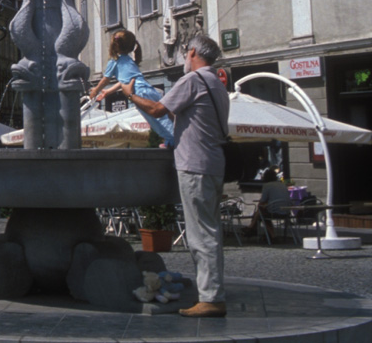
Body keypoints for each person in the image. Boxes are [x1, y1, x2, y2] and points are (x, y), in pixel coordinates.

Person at [121, 33, 230, 318]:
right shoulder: (216, 84)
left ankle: (211, 298)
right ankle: (213, 293)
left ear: (192, 52)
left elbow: (158, 110)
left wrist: (130, 95)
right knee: (211, 231)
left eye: (185, 52)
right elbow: (181, 116)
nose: (184, 57)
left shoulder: (193, 80)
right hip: (213, 164)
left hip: (195, 165)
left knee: (200, 234)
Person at [89, 29, 175, 147]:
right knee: (163, 117)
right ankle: (172, 139)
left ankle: (172, 140)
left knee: (156, 121)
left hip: (139, 93)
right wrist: (108, 91)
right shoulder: (129, 61)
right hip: (148, 90)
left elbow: (105, 80)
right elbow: (123, 82)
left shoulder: (114, 61)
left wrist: (95, 90)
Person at [247, 168, 291, 242]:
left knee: (261, 213)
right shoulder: (282, 185)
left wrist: (262, 205)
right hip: (286, 211)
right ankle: (254, 229)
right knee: (261, 212)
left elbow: (262, 201)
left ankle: (253, 228)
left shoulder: (267, 186)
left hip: (274, 211)